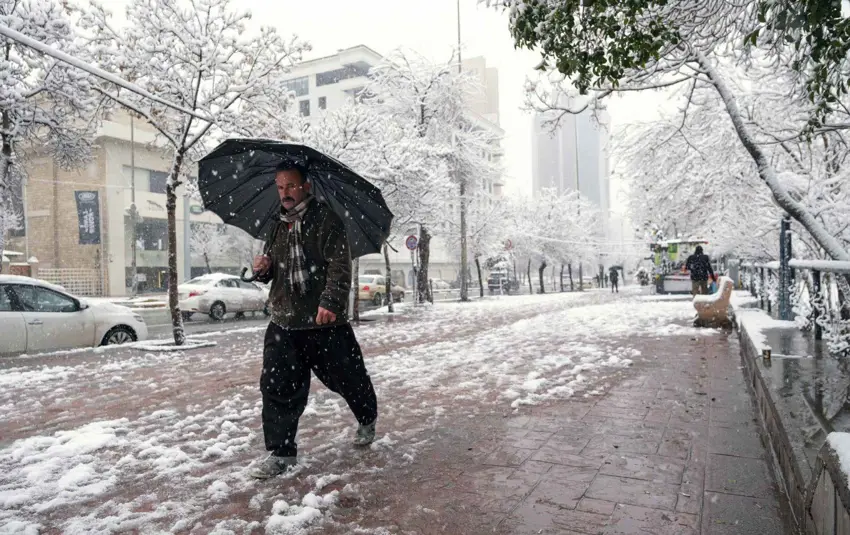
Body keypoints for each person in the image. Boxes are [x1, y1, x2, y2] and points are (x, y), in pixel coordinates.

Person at [248, 161, 378, 480]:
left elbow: (339, 265)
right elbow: (275, 269)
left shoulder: (326, 220)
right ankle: (282, 454)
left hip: (324, 322)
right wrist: (263, 268)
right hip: (284, 321)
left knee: (349, 378)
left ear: (306, 186)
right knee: (278, 387)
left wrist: (330, 301)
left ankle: (367, 417)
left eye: (291, 186)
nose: (285, 193)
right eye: (280, 187)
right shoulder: (277, 225)